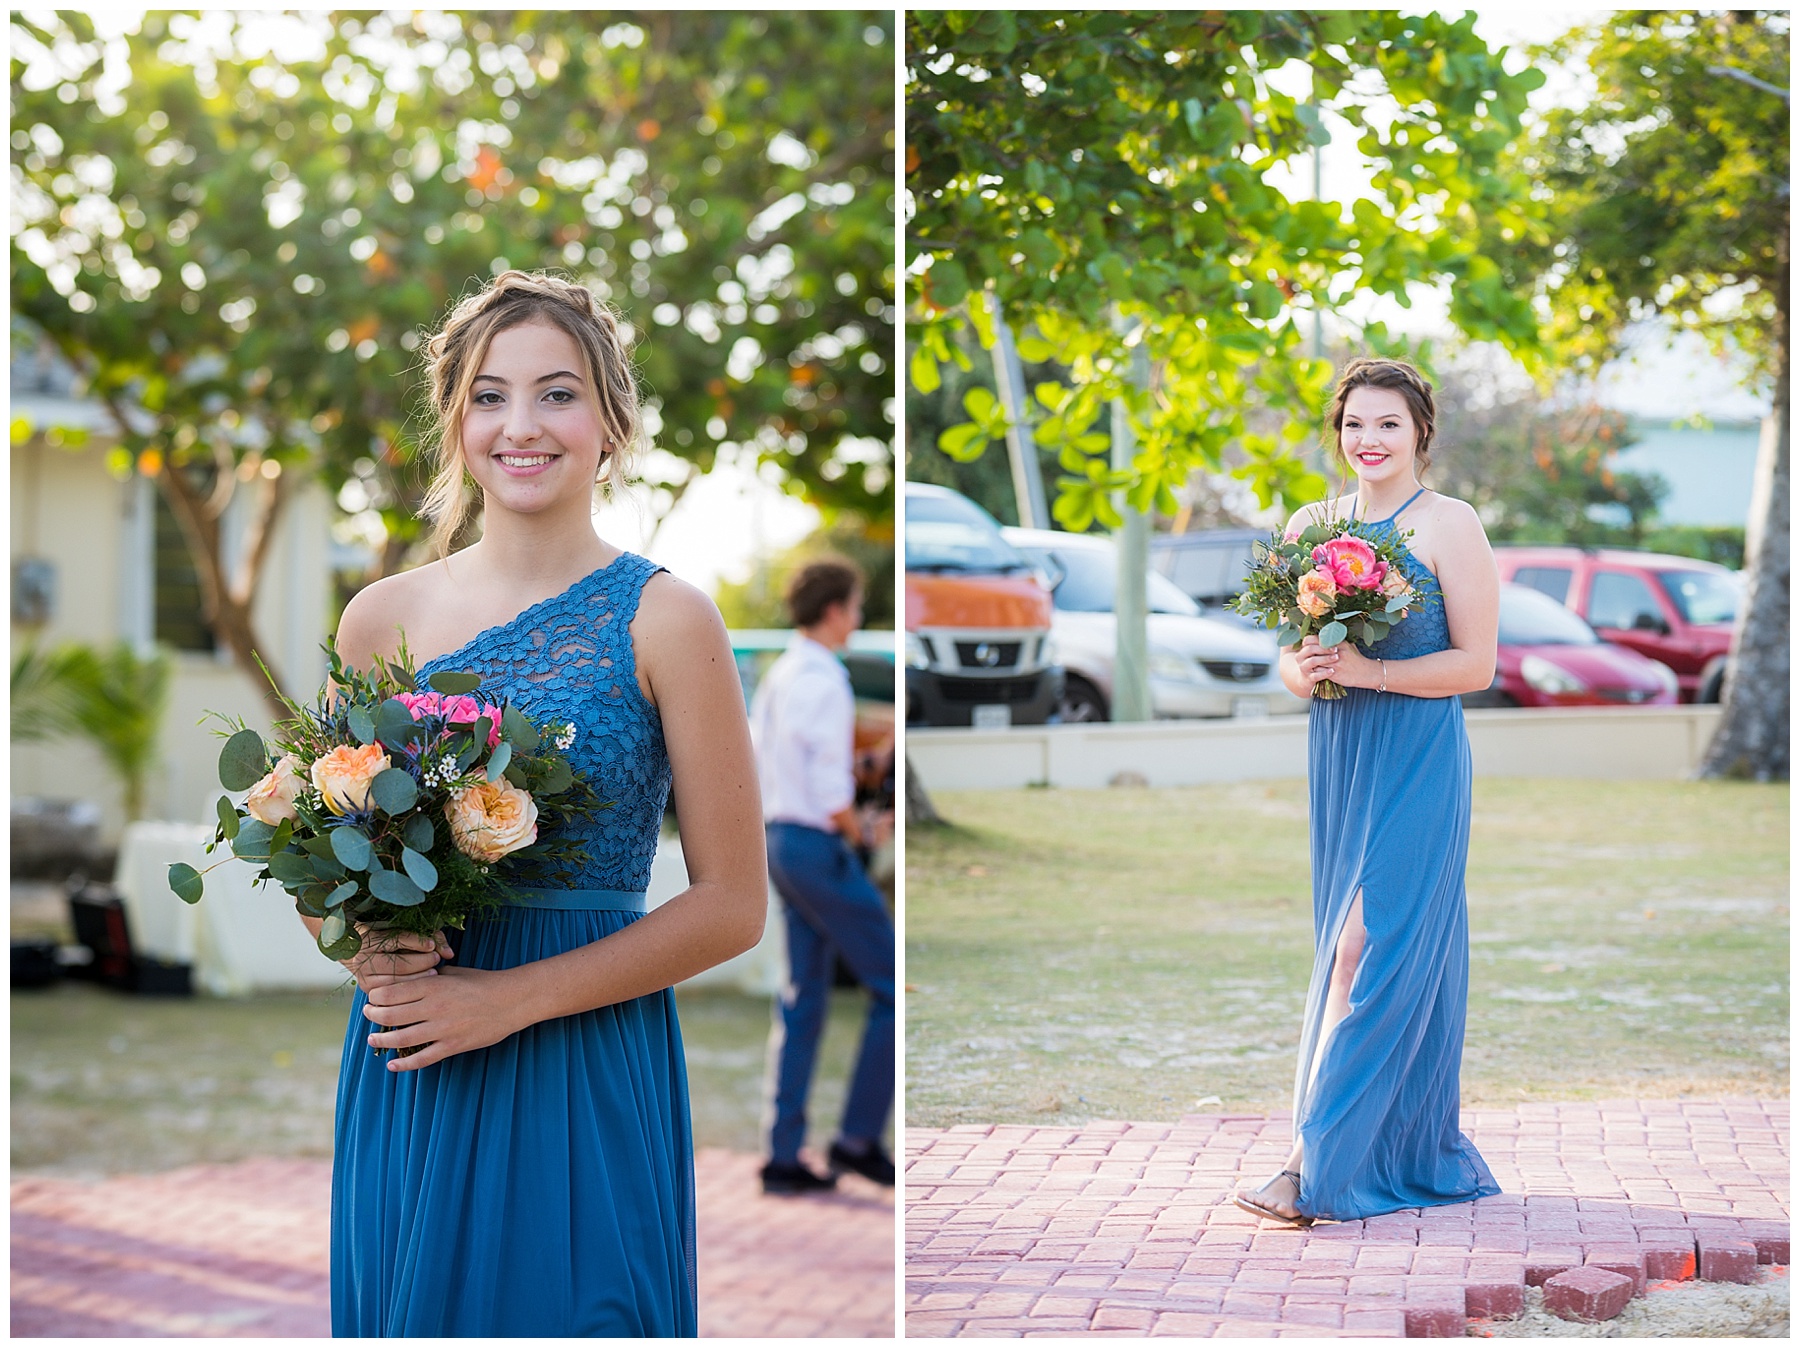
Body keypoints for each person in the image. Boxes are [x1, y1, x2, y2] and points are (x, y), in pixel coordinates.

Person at [321, 270, 768, 1334]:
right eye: (490, 395)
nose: (522, 425)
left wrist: (508, 1001)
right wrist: (364, 948)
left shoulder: (669, 619)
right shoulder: (379, 619)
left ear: (612, 421)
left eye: (558, 393)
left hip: (580, 1061)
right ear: (457, 420)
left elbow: (733, 905)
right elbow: (328, 861)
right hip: (413, 1064)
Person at [1234, 356, 1503, 1226]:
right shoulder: (1313, 523)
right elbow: (1288, 660)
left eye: (1387, 423)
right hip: (1341, 756)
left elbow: (1477, 664)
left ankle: (1311, 1163)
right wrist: (1305, 669)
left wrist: (1368, 671)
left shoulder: (1450, 524)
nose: (1369, 440)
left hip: (1419, 756)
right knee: (1341, 950)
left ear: (1421, 429)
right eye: (1355, 424)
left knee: (1366, 948)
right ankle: (1391, 1149)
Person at [750, 558, 897, 1194]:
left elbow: (782, 766)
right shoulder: (826, 679)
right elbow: (832, 785)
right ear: (835, 609)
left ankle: (783, 1158)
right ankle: (857, 1139)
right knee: (892, 985)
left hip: (779, 841)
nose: (858, 619)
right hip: (816, 845)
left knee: (803, 998)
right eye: (856, 606)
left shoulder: (780, 674)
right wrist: (862, 830)